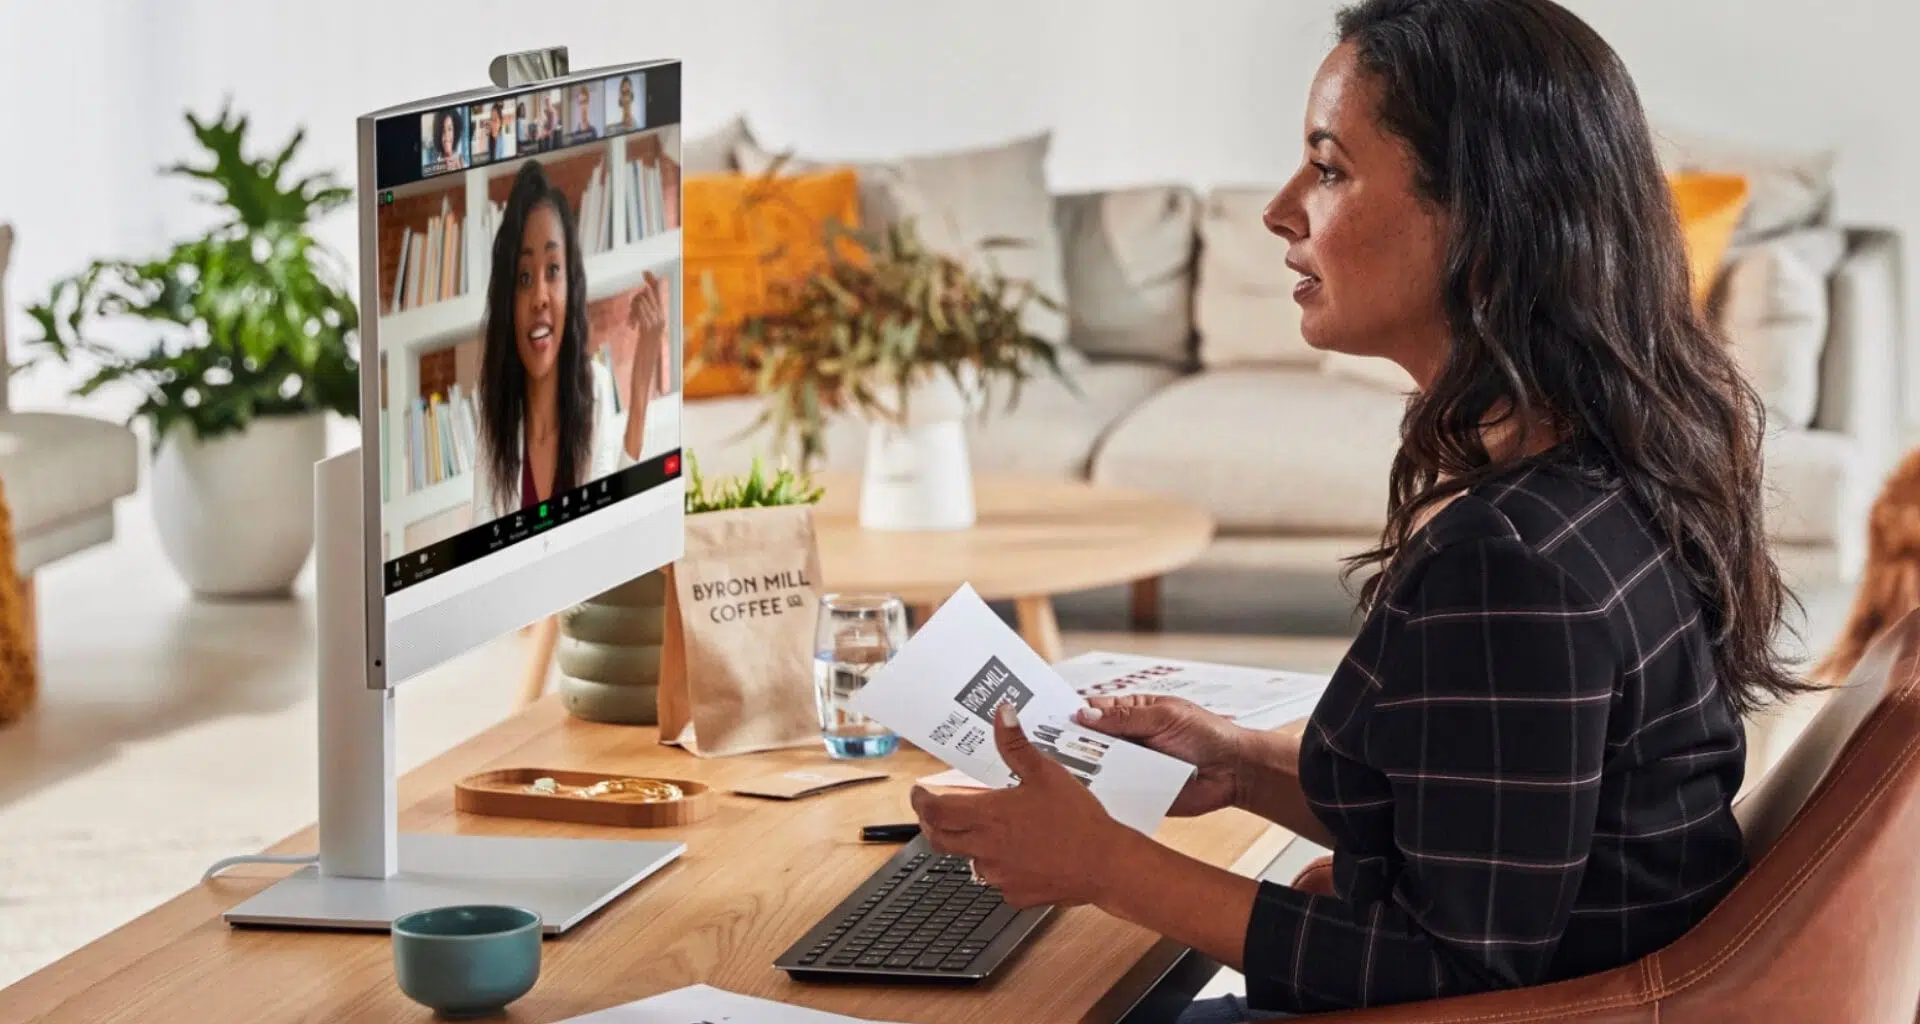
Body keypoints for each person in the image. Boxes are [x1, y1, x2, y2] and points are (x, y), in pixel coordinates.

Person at [907, 1, 1812, 1020]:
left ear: (1480, 210)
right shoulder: (1616, 474)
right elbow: (1510, 825)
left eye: (1330, 168)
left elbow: (1454, 972)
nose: (1280, 207)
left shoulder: (1511, 564)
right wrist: (1241, 765)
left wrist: (1107, 866)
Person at [471, 160, 668, 522]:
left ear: (572, 286)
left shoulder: (594, 389)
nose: (540, 297)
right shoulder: (493, 410)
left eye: (553, 270)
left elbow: (614, 522)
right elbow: (480, 534)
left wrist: (640, 386)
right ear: (506, 301)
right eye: (524, 277)